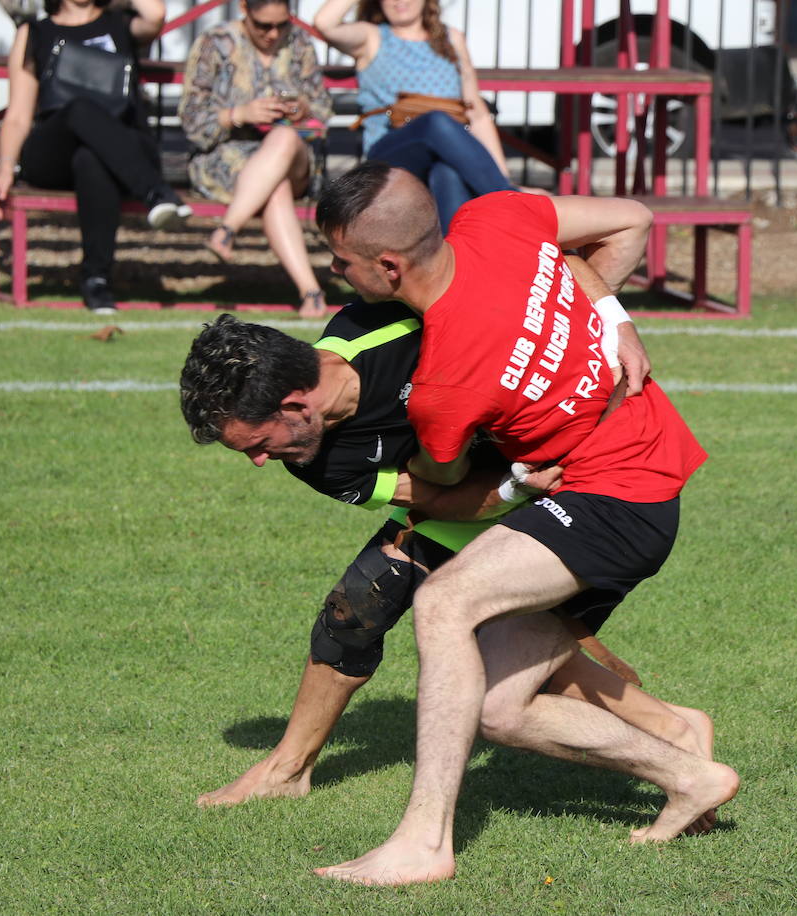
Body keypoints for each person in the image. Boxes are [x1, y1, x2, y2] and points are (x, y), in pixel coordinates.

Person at [312, 163, 739, 886]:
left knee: (444, 601)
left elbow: (443, 481)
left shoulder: (444, 384)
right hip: (647, 461)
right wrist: (611, 319)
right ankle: (688, 771)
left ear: (387, 266)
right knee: (504, 711)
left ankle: (423, 843)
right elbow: (631, 218)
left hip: (615, 496)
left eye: (340, 260)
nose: (333, 271)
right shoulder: (495, 217)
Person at [179, 302, 713, 810]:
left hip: (579, 475)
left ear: (295, 404)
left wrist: (616, 321)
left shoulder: (386, 321)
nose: (257, 461)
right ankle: (287, 770)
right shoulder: (312, 458)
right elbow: (432, 499)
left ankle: (670, 728)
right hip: (505, 489)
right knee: (360, 604)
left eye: (256, 442)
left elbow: (548, 261)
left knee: (500, 653)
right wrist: (511, 488)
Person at [0, 0, 192, 315]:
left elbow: (156, 14)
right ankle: (156, 194)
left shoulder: (121, 23)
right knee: (80, 110)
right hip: (56, 150)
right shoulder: (36, 32)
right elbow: (17, 116)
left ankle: (96, 280)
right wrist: (6, 169)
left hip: (123, 147)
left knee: (91, 158)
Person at [180, 0, 335, 318]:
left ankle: (227, 229)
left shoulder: (298, 42)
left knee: (285, 137)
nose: (273, 33)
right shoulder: (215, 43)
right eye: (263, 25)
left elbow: (323, 108)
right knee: (274, 186)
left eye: (281, 24)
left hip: (294, 159)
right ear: (244, 11)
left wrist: (302, 108)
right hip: (226, 157)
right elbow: (192, 121)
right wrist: (239, 114)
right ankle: (312, 293)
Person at [313, 0, 516, 231]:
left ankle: (456, 255)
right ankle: (514, 205)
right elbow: (324, 23)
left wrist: (504, 175)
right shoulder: (372, 37)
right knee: (435, 121)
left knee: (447, 172)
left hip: (443, 151)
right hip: (390, 152)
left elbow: (476, 114)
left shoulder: (452, 38)